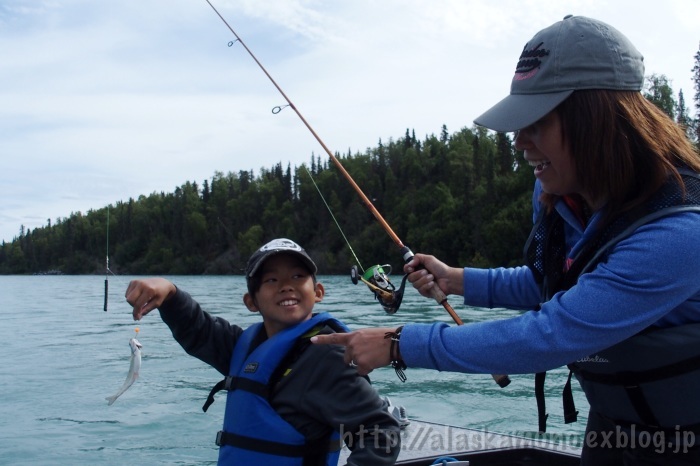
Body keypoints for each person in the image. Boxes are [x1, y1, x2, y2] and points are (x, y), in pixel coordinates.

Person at [311, 15, 700, 465]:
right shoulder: (557, 193)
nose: (518, 141)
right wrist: (458, 280)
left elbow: (554, 332)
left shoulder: (680, 235)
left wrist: (398, 343)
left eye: (536, 122)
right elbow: (553, 284)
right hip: (614, 425)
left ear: (597, 121)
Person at [125, 238, 400, 466]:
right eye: (270, 279)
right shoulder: (244, 347)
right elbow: (200, 330)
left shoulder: (327, 356)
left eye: (297, 276)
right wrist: (169, 293)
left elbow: (380, 433)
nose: (285, 285)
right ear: (251, 302)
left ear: (318, 292)